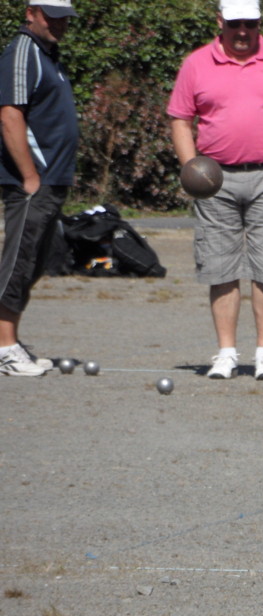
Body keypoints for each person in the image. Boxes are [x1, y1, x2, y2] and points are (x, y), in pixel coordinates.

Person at [167, 0, 263, 381]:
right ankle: (226, 354)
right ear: (220, 21)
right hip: (214, 178)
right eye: (235, 24)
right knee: (221, 266)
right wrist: (191, 169)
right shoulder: (196, 64)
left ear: (259, 22)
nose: (242, 31)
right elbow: (180, 120)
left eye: (250, 24)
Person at [0, 0, 79, 377]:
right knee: (19, 261)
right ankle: (4, 346)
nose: (59, 23)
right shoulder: (23, 52)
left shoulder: (48, 55)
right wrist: (30, 176)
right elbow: (10, 114)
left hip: (53, 181)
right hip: (33, 183)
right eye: (52, 16)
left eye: (64, 17)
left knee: (34, 262)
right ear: (31, 12)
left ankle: (10, 342)